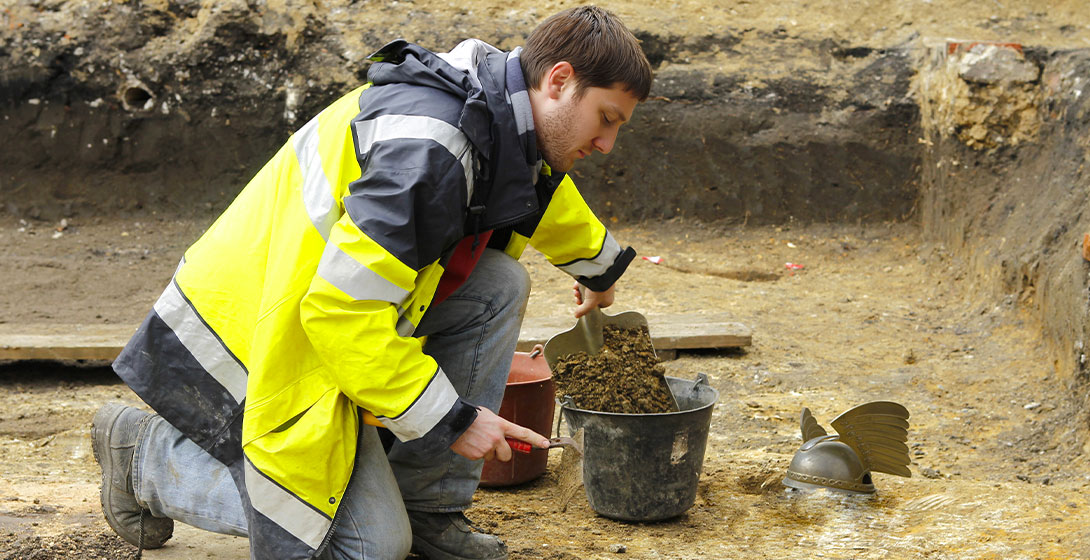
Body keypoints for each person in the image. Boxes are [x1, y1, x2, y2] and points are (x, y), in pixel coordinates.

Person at [91, 5, 652, 560]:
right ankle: (144, 455)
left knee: (499, 284)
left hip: (320, 317)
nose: (607, 144)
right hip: (258, 338)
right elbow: (340, 312)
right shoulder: (431, 151)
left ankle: (427, 506)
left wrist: (600, 271)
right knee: (369, 546)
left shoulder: (499, 115)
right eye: (607, 118)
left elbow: (539, 195)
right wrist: (450, 420)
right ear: (558, 81)